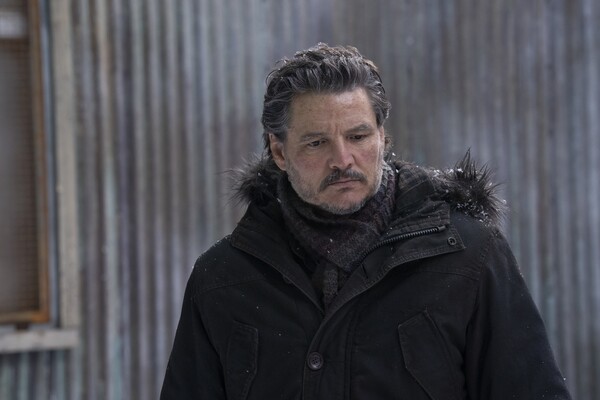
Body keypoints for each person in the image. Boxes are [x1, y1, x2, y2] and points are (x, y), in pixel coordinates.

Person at [160, 43, 571, 399]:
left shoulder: (468, 258)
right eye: (316, 142)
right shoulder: (223, 279)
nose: (342, 160)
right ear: (279, 152)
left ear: (382, 137)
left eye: (357, 137)